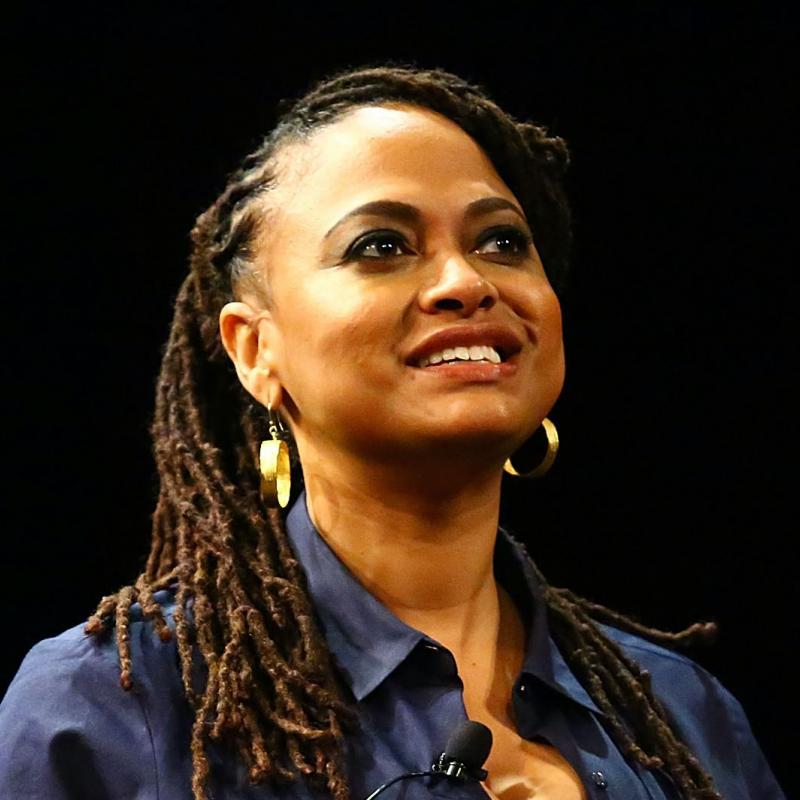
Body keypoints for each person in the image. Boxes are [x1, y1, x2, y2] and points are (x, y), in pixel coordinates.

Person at [0, 65, 786, 800]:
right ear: (254, 349)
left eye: (500, 241)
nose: (466, 282)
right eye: (382, 247)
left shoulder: (684, 714)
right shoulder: (113, 707)